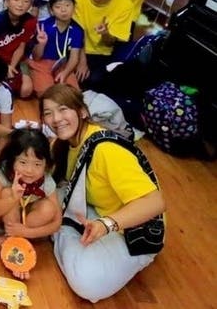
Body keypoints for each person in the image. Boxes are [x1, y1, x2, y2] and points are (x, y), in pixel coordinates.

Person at [40, 84, 165, 303]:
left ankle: (61, 229)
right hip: (97, 210)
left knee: (87, 284)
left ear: (82, 112)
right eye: (48, 113)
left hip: (134, 228)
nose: (56, 119)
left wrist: (106, 224)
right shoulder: (63, 143)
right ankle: (64, 228)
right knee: (39, 200)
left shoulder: (106, 149)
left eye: (63, 109)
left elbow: (155, 203)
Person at [0, 127, 61, 279]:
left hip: (27, 222)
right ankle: (14, 243)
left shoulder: (46, 180)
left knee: (49, 208)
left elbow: (57, 223)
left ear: (46, 164)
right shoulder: (2, 172)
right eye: (23, 162)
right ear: (12, 160)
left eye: (37, 164)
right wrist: (13, 198)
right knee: (7, 192)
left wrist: (26, 232)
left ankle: (7, 239)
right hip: (5, 215)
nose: (30, 170)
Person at [72, 0, 134, 92]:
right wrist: (82, 62)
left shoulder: (124, 5)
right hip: (77, 49)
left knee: (96, 82)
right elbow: (76, 32)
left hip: (103, 54)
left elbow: (111, 43)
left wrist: (105, 33)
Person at [30, 0, 84, 95]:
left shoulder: (77, 30)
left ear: (74, 6)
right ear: (51, 10)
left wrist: (65, 73)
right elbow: (36, 57)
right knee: (46, 92)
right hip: (41, 63)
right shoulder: (42, 26)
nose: (63, 10)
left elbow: (74, 58)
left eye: (67, 5)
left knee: (74, 94)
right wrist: (42, 43)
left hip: (62, 64)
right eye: (58, 7)